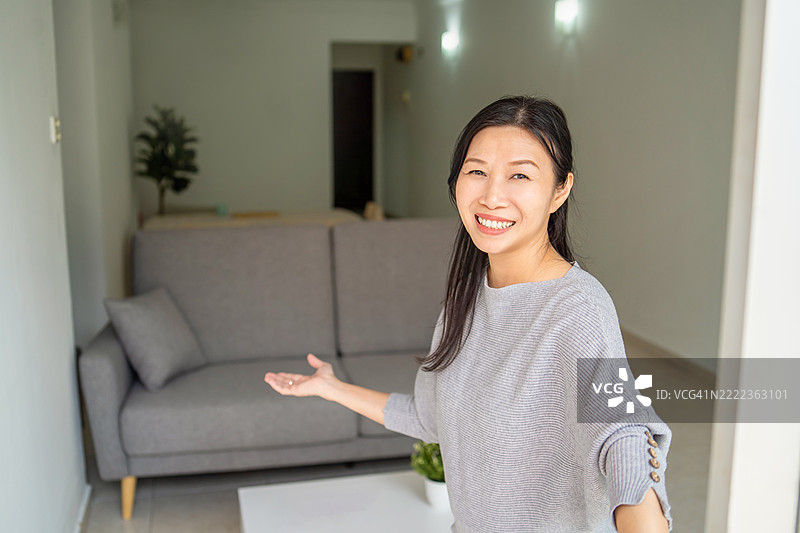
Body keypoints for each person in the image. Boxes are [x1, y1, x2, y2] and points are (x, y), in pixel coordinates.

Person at [264, 96, 673, 533]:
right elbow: (430, 418)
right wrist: (332, 388)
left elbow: (620, 434)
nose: (492, 196)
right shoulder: (468, 298)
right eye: (477, 171)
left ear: (560, 190)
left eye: (520, 175)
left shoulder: (578, 308)